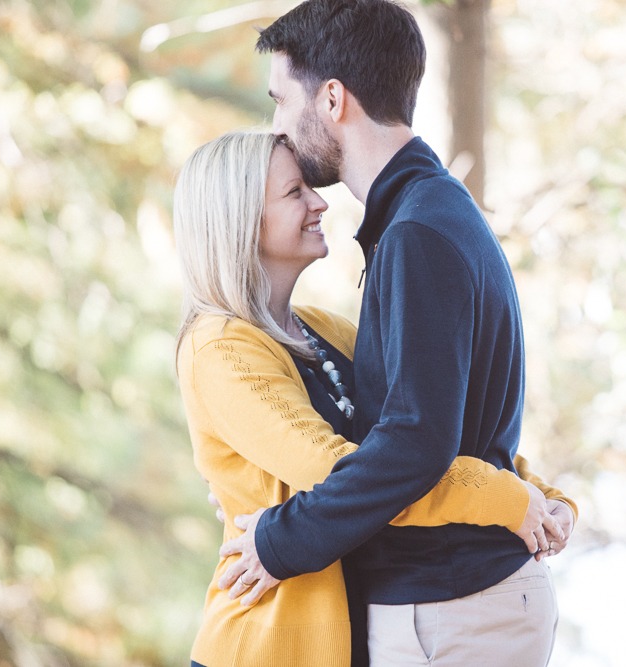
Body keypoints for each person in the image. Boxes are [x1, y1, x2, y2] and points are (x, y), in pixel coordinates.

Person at [218, 1, 577, 665]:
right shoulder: (426, 215)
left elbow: (415, 442)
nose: (278, 126)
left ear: (331, 98)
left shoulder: (417, 233)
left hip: (452, 607)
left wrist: (279, 541)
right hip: (457, 603)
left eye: (279, 99)